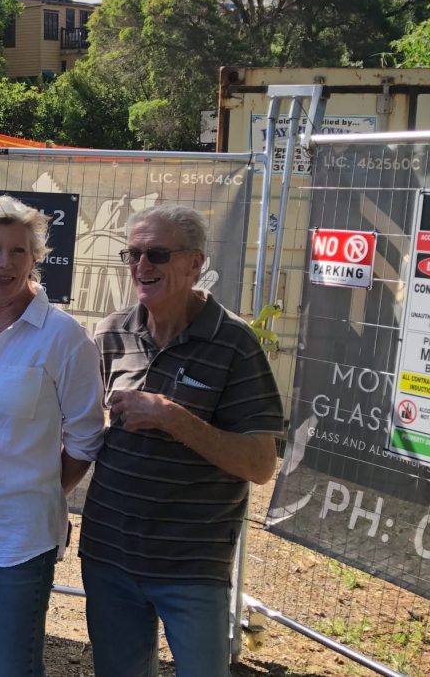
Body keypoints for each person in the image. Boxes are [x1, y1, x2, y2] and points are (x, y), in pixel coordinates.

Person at [79, 203, 284, 677]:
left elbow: (259, 464)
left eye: (157, 254)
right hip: (110, 554)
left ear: (196, 262)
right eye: (132, 254)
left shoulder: (234, 345)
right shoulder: (112, 334)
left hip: (191, 564)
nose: (142, 266)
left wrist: (173, 417)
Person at [0, 195, 104, 677]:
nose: (3, 263)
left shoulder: (64, 337)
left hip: (19, 533)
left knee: (15, 667)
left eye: (17, 252)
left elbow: (87, 436)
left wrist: (42, 491)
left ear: (36, 258)